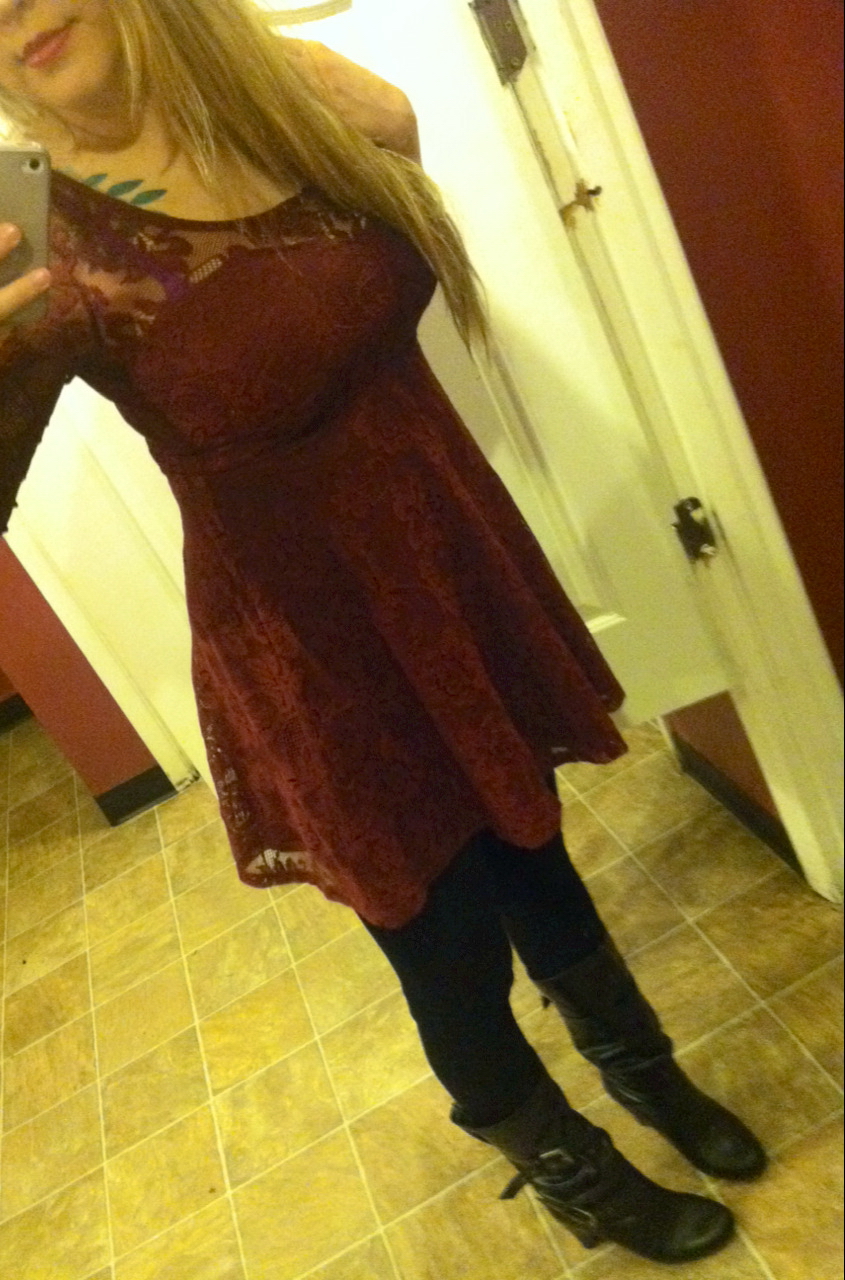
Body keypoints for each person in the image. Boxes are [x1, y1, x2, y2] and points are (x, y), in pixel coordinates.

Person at [0, 0, 767, 1265]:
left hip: (444, 558)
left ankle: (643, 1069)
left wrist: (398, 140)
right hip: (309, 649)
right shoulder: (40, 234)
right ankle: (565, 1165)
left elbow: (382, 272)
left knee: (531, 841)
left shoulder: (270, 91)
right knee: (443, 938)